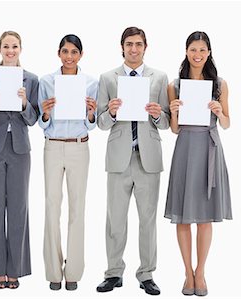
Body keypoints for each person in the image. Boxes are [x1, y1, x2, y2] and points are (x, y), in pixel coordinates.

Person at [96, 26, 169, 295]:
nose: (134, 49)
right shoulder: (108, 78)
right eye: (129, 44)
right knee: (115, 219)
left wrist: (157, 113)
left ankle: (146, 273)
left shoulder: (159, 78)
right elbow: (100, 124)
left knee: (147, 220)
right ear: (122, 46)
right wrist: (112, 113)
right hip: (118, 158)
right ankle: (113, 272)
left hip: (148, 157)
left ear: (145, 47)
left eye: (139, 44)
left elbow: (165, 123)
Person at [164, 31, 232, 297]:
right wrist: (175, 111)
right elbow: (174, 129)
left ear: (209, 52)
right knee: (183, 215)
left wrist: (219, 111)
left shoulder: (220, 84)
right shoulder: (175, 84)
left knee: (204, 217)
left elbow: (227, 123)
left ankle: (201, 272)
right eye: (193, 49)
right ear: (186, 51)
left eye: (202, 50)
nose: (198, 54)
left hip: (209, 147)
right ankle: (187, 273)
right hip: (185, 148)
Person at [0, 31, 39, 290]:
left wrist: (25, 102)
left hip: (19, 149)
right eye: (6, 46)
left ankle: (15, 269)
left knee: (18, 209)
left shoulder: (31, 79)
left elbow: (33, 119)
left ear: (21, 48)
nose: (10, 50)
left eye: (14, 46)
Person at [38, 34, 98, 291]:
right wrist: (46, 112)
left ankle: (73, 270)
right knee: (52, 207)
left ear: (81, 55)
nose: (70, 56)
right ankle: (53, 270)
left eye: (74, 52)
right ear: (59, 53)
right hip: (53, 146)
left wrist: (91, 113)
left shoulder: (91, 83)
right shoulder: (47, 82)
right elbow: (41, 123)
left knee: (77, 208)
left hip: (79, 145)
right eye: (65, 51)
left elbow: (91, 125)